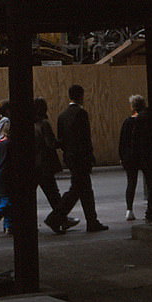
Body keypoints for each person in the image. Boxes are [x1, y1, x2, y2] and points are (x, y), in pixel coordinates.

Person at [55, 84, 109, 232]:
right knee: (81, 190)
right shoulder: (81, 114)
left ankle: (91, 220)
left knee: (82, 190)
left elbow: (61, 139)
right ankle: (57, 217)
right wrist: (90, 156)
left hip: (71, 157)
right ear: (81, 96)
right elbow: (85, 138)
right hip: (81, 158)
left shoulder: (62, 116)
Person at [35, 97, 79, 234]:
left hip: (34, 165)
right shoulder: (44, 124)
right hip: (45, 165)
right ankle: (59, 219)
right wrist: (64, 141)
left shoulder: (29, 124)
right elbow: (51, 144)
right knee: (53, 194)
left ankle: (61, 219)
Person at [119, 94, 150, 221]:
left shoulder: (127, 122)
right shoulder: (145, 121)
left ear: (132, 107)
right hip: (143, 156)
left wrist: (122, 157)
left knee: (131, 183)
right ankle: (150, 209)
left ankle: (129, 210)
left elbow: (122, 141)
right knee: (149, 182)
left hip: (130, 157)